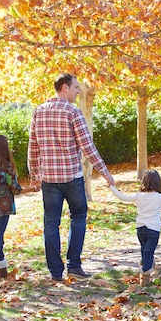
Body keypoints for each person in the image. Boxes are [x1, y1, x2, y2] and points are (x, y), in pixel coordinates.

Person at [28, 73, 116, 282]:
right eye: (76, 87)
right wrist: (104, 171)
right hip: (72, 177)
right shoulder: (73, 112)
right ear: (64, 88)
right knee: (78, 216)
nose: (78, 91)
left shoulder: (38, 112)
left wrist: (35, 174)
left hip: (49, 178)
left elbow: (33, 147)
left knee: (51, 223)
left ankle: (55, 272)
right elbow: (87, 146)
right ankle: (74, 266)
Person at [108, 170, 161, 286]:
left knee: (145, 251)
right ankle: (145, 276)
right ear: (158, 183)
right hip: (153, 230)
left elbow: (123, 197)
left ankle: (145, 270)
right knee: (148, 252)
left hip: (140, 229)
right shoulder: (159, 197)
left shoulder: (139, 196)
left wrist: (112, 187)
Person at [0, 134, 40, 285]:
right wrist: (33, 188)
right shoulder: (7, 167)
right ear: (5, 148)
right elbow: (16, 189)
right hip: (2, 209)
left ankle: (2, 271)